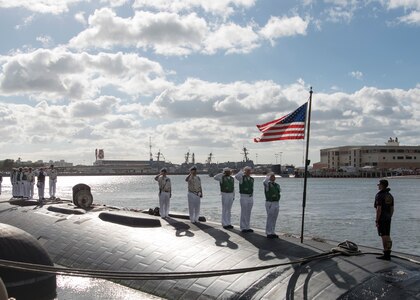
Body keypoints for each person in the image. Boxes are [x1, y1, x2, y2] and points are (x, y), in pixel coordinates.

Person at [374, 179, 394, 260]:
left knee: (383, 236)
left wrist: (377, 220)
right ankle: (388, 252)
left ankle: (386, 253)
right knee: (388, 235)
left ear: (382, 185)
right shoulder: (390, 195)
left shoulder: (379, 195)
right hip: (388, 217)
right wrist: (389, 217)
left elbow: (379, 209)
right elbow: (392, 209)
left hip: (382, 218)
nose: (377, 185)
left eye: (378, 184)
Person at [235, 166, 254, 233]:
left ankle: (247, 226)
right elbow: (236, 176)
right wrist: (241, 171)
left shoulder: (252, 179)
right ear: (244, 171)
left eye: (249, 171)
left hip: (250, 197)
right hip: (244, 196)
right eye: (247, 171)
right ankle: (243, 227)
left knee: (248, 212)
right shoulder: (241, 178)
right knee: (244, 212)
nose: (248, 172)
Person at [263, 173, 281, 238]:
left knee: (274, 218)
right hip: (270, 202)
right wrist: (268, 176)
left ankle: (273, 231)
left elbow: (278, 193)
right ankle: (268, 232)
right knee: (270, 218)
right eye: (272, 176)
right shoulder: (267, 184)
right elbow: (264, 182)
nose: (273, 177)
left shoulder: (277, 185)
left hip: (276, 202)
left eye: (274, 176)